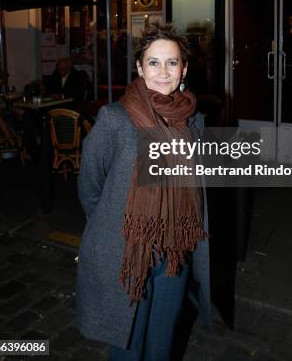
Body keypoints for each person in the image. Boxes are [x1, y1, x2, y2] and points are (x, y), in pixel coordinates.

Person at [76, 25, 211, 360]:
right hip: (125, 253)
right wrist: (114, 229)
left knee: (162, 343)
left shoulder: (195, 121)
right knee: (128, 343)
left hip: (174, 251)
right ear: (139, 68)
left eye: (171, 62)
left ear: (184, 69)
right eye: (153, 63)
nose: (162, 72)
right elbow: (90, 185)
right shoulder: (114, 119)